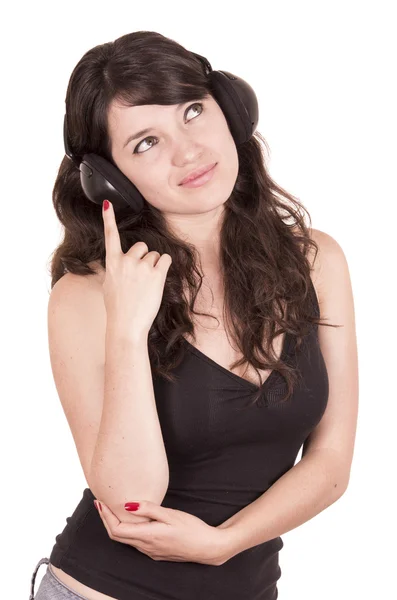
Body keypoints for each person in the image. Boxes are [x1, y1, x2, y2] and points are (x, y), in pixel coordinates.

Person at [29, 30, 358, 600]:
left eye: (192, 111)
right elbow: (133, 500)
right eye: (145, 143)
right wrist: (128, 330)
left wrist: (225, 541)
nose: (189, 151)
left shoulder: (316, 260)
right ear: (110, 179)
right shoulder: (84, 297)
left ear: (230, 108)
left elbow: (331, 463)